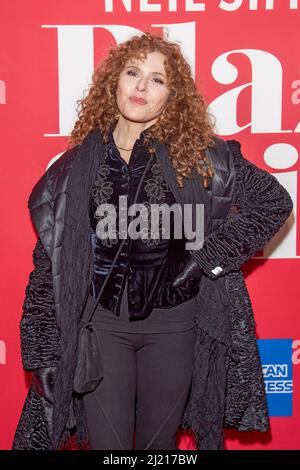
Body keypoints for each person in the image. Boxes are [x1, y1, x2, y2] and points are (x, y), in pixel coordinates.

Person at [12, 32, 293, 451]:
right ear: (114, 83)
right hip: (100, 328)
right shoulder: (72, 169)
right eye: (132, 72)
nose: (142, 87)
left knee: (157, 448)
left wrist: (206, 259)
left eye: (157, 79)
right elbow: (47, 268)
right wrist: (41, 353)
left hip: (176, 327)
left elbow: (274, 202)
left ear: (172, 96)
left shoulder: (203, 157)